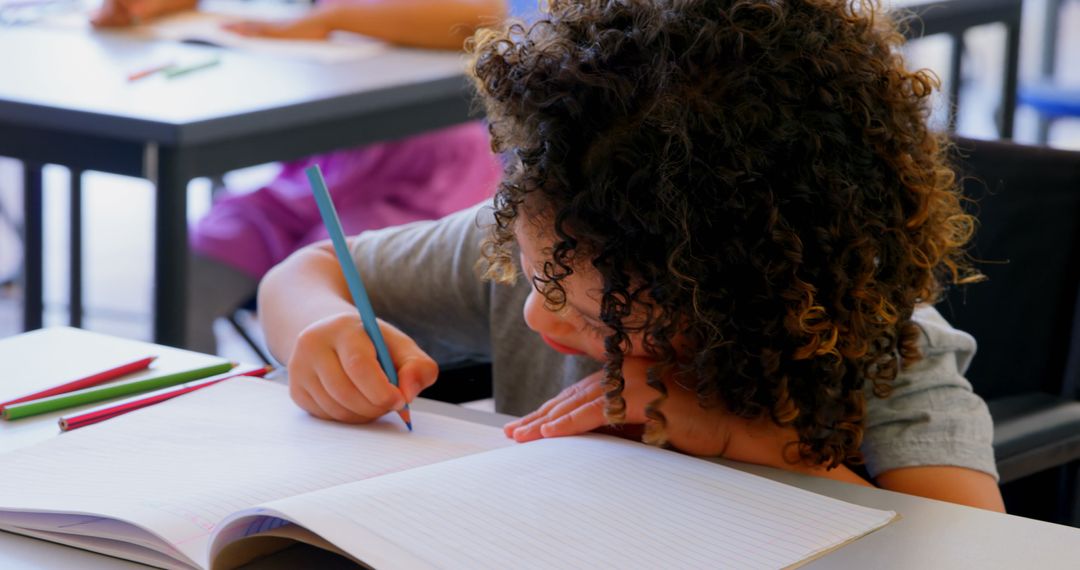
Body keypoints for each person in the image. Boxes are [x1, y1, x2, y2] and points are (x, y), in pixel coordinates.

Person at [258, 0, 1006, 511]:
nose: (533, 312)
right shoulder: (560, 246)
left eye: (596, 316)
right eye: (529, 271)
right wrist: (321, 332)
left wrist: (749, 444)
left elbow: (975, 547)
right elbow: (308, 272)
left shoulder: (884, 351)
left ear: (742, 305)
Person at [92, 0, 507, 354]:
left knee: (332, 295)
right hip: (319, 169)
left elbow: (488, 15)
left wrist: (334, 18)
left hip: (425, 173)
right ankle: (188, 425)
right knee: (187, 270)